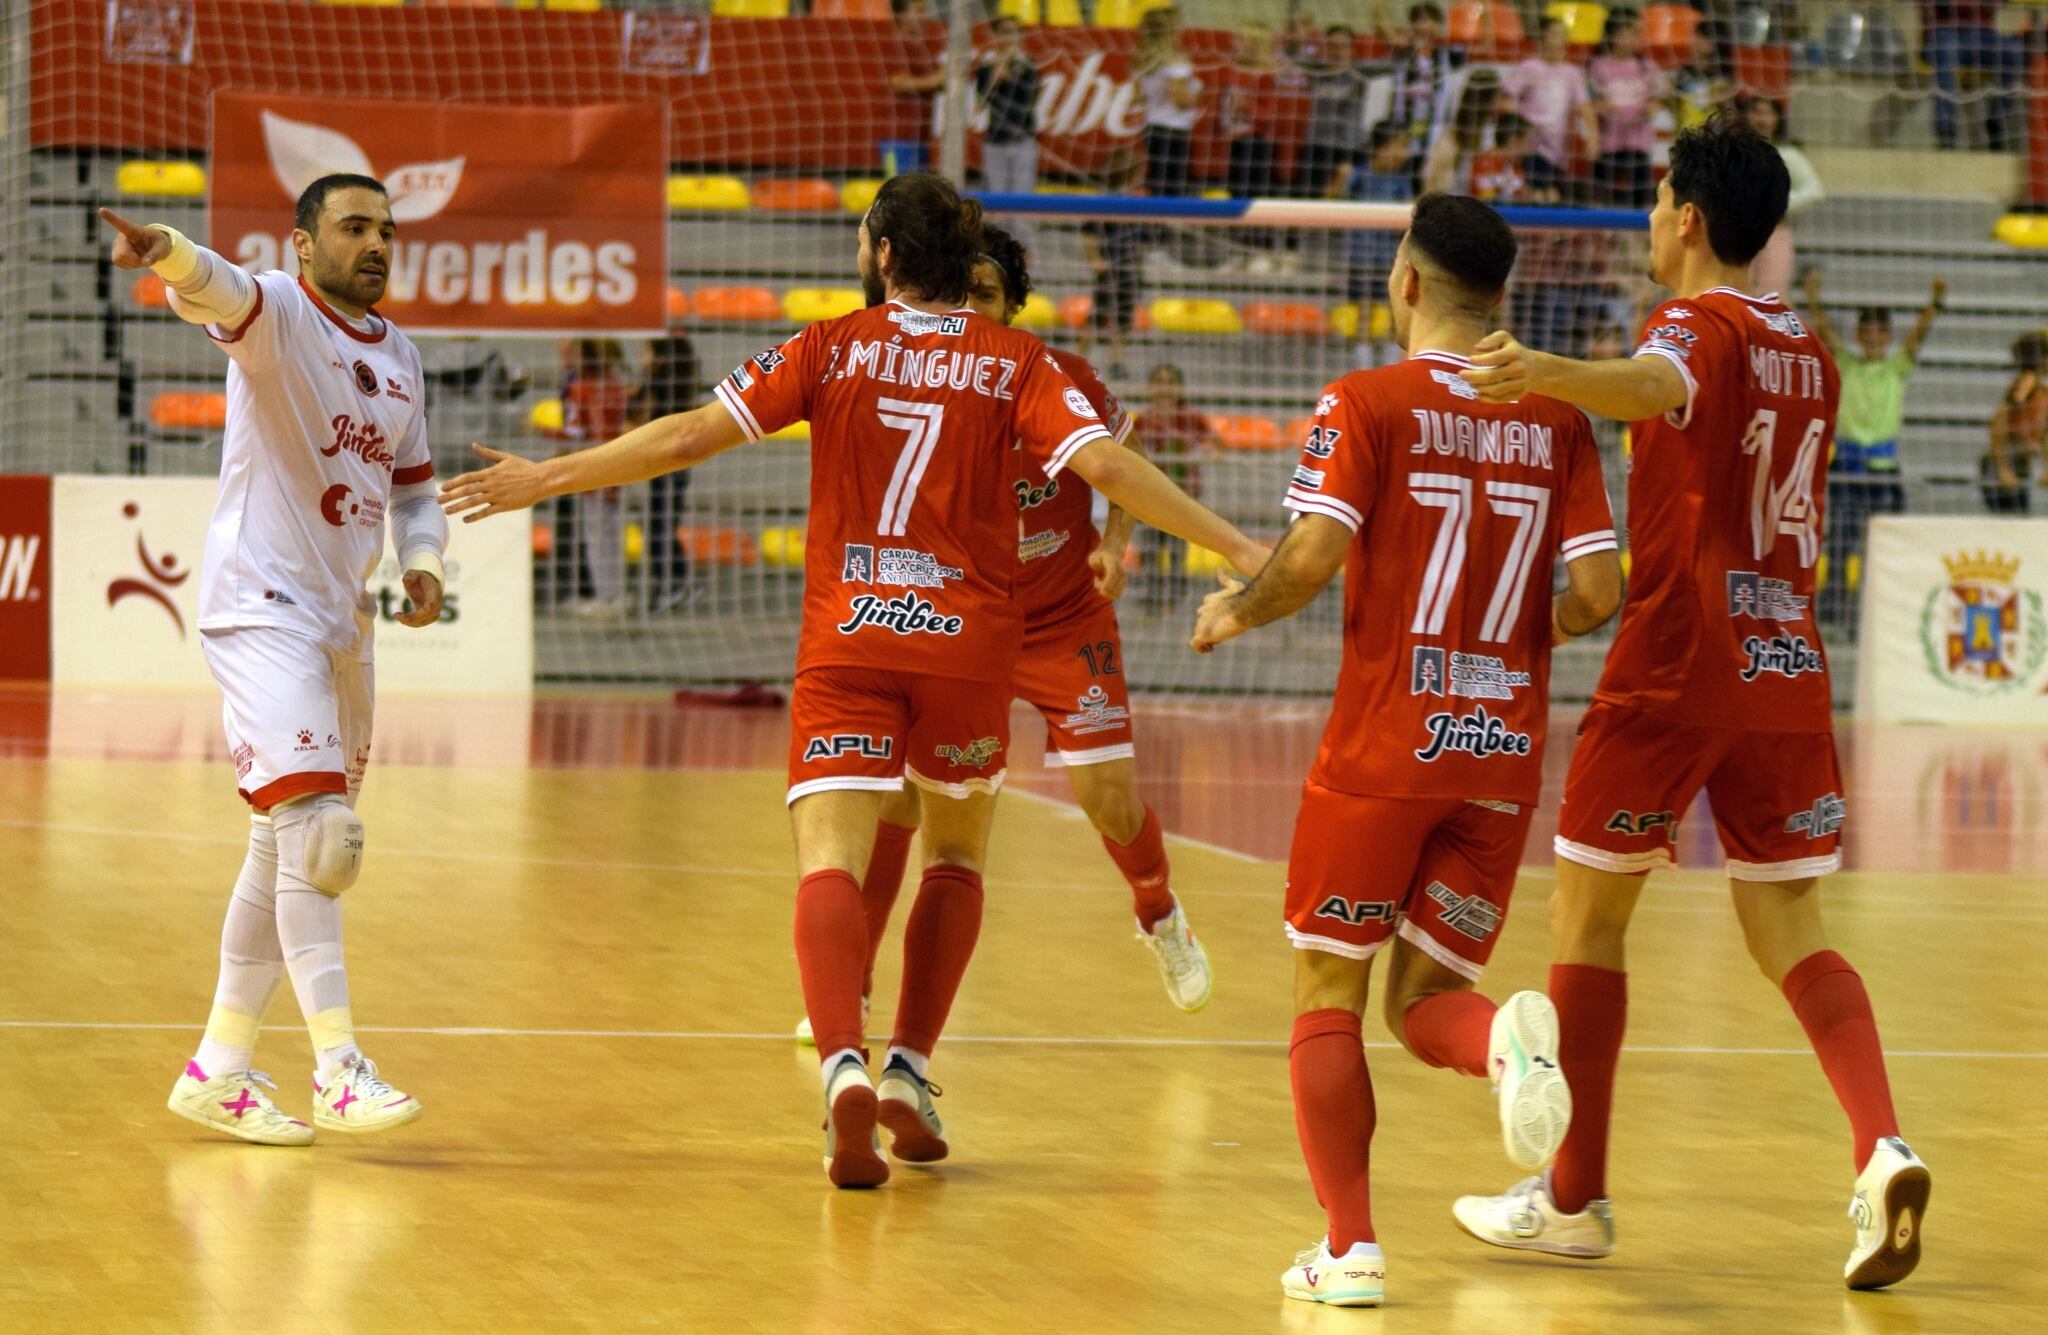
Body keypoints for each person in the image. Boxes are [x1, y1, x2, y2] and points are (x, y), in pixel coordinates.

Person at [440, 174, 1265, 1190]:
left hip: (850, 639)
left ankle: (840, 1061)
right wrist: (1240, 545)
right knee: (953, 859)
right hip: (967, 646)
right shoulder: (1020, 361)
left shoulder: (829, 345)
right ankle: (910, 1071)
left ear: (880, 256)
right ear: (964, 267)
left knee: (829, 856)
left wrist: (548, 477)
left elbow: (690, 434)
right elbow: (1113, 474)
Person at [1454, 118, 1929, 1292]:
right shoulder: (1807, 348)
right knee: (1789, 935)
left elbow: (1654, 383)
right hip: (1783, 667)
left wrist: (1547, 371)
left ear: (1690, 220)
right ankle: (1881, 1146)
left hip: (1675, 661)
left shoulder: (1693, 321)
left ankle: (1573, 1203)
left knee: (1585, 926)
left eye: (1657, 197)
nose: (1647, 215)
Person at [1190, 192, 1623, 1309]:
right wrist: (1526, 639)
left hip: (1385, 746)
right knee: (1422, 994)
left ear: (1406, 282)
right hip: (1499, 751)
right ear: (1501, 298)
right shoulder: (1559, 420)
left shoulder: (1363, 400)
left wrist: (1240, 605)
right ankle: (1505, 1050)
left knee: (1328, 987)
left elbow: (1313, 554)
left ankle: (1349, 1248)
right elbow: (1595, 593)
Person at [794, 224, 1214, 1061]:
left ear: (1012, 307)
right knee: (897, 802)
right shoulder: (926, 372)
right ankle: (855, 980)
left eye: (986, 295)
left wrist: (1115, 539)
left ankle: (1159, 909)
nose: (971, 307)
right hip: (958, 620)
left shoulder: (1054, 380)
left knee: (1108, 799)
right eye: (963, 291)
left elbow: (1123, 456)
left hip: (1060, 618)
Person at [103, 176, 448, 1146]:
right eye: (353, 227)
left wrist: (421, 562)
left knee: (281, 847)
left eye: (385, 229)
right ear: (302, 245)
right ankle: (339, 1067)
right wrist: (167, 247)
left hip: (344, 628)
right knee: (319, 837)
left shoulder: (404, 359)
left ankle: (218, 1064)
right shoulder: (282, 312)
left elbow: (414, 492)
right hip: (262, 611)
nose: (375, 244)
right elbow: (214, 287)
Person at [1803, 271, 1947, 623]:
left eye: (1879, 332)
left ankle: (1886, 612)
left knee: (1884, 542)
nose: (1872, 338)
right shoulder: (1847, 364)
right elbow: (1824, 331)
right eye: (1866, 332)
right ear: (1858, 335)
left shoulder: (1896, 367)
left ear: (1887, 336)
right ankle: (1838, 614)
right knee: (1840, 542)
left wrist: (1935, 305)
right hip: (1849, 470)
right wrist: (1813, 298)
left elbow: (1917, 337)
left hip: (1883, 471)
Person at [1133, 364, 1219, 612]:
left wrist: (1209, 451)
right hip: (1151, 493)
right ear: (1151, 387)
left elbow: (1213, 444)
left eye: (1170, 381)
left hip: (1184, 492)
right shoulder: (1144, 419)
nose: (1165, 387)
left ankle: (1175, 589)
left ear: (1179, 387)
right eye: (1159, 381)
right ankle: (1151, 591)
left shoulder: (1191, 417)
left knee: (1177, 544)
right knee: (1150, 544)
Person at [561, 339, 632, 617]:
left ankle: (605, 597)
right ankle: (616, 595)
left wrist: (541, 430)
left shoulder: (581, 387)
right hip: (620, 464)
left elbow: (575, 431)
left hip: (591, 467)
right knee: (613, 536)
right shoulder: (615, 385)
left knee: (596, 537)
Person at [631, 334, 702, 613]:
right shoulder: (676, 388)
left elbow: (640, 416)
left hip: (669, 465)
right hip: (672, 464)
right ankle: (675, 582)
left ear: (660, 358)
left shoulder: (660, 388)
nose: (641, 357)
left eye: (646, 351)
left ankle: (675, 583)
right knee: (661, 525)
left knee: (659, 527)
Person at [1078, 147, 1148, 376]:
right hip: (1110, 266)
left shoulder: (1137, 200)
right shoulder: (1105, 200)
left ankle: (1117, 360)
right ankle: (1079, 357)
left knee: (1124, 315)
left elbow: (1143, 238)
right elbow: (1088, 232)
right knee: (1099, 313)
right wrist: (1096, 259)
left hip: (1128, 266)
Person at [1504, 18, 1597, 187]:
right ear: (1541, 39)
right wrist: (1519, 132)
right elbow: (1504, 99)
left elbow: (1585, 106)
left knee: (1553, 194)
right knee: (1538, 192)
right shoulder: (1529, 68)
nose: (1560, 40)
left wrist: (1592, 137)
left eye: (1563, 35)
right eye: (1555, 34)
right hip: (1532, 146)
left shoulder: (1572, 73)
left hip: (1559, 149)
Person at [1920, 1, 2025, 150]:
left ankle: (1996, 122)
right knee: (1945, 53)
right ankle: (1946, 132)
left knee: (2013, 51)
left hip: (1983, 34)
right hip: (1945, 32)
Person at [1587, 8, 1665, 209]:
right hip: (1609, 140)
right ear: (1615, 34)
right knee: (1602, 192)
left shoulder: (1645, 65)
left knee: (1641, 194)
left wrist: (1651, 107)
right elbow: (1591, 97)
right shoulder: (1598, 65)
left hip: (1637, 140)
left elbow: (1657, 97)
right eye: (1633, 32)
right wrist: (1600, 106)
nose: (1639, 37)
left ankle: (1639, 235)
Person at [1745, 95, 1821, 297]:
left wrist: (1776, 205)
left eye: (1768, 113)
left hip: (1775, 231)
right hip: (1738, 231)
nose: (1761, 119)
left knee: (1771, 295)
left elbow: (1814, 190)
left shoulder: (1788, 154)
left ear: (1777, 119)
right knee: (1738, 292)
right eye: (1756, 113)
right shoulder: (1735, 152)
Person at [1135, 6, 1203, 197]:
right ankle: (1163, 224)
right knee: (1171, 187)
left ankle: (1153, 222)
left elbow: (1138, 96)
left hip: (1152, 126)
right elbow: (1180, 101)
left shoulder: (1143, 60)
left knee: (1157, 182)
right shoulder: (1174, 62)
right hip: (1173, 130)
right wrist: (1198, 90)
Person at [975, 15, 1041, 210]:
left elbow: (1029, 96)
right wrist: (996, 76)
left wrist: (1010, 75)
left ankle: (1021, 240)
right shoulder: (986, 65)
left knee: (1023, 201)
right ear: (995, 35)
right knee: (996, 200)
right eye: (1005, 32)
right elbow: (982, 100)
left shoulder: (1028, 64)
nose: (1010, 37)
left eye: (1014, 32)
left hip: (1022, 139)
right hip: (995, 139)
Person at [1295, 24, 1367, 199]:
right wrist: (1299, 38)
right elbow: (1292, 56)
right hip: (1316, 145)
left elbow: (1395, 62)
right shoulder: (1317, 72)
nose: (1338, 52)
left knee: (1343, 197)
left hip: (1348, 147)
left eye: (1343, 46)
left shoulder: (1362, 74)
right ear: (1326, 48)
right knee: (1308, 198)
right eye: (1333, 46)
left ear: (1352, 50)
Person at [1388, 4, 1465, 156]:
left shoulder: (1446, 53)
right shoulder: (1402, 52)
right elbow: (1381, 30)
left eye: (1429, 20)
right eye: (1419, 21)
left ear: (1438, 25)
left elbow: (1484, 48)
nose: (1424, 26)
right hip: (1403, 127)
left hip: (1436, 128)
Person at [1984, 330, 2047, 514]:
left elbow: (2044, 433)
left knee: (2019, 520)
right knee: (2010, 523)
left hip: (2020, 463)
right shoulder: (2026, 384)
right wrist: (2003, 468)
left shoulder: (2041, 391)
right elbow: (1998, 423)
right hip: (2007, 460)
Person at [1419, 67, 1501, 196]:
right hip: (1450, 198)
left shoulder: (1491, 129)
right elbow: (1432, 177)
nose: (1500, 101)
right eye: (1498, 95)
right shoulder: (1449, 134)